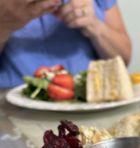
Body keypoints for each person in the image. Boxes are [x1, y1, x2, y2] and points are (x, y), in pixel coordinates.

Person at [0, 0, 132, 88]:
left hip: (92, 106)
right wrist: (5, 25)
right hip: (14, 113)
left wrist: (94, 25)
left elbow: (123, 58)